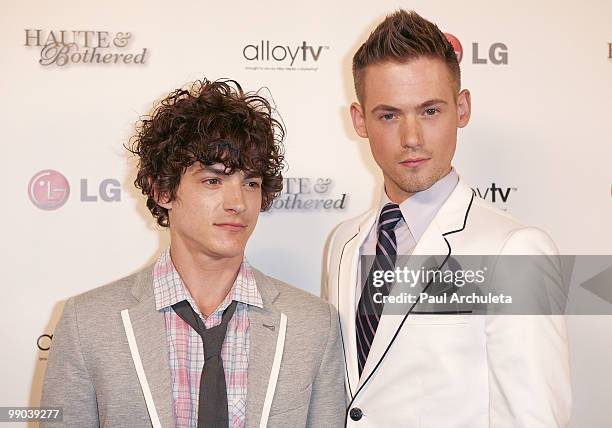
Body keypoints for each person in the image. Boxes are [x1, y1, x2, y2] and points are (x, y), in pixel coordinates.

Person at [41, 78, 346, 427]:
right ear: (163, 191)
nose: (237, 203)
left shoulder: (313, 324)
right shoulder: (88, 323)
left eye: (250, 183)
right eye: (213, 181)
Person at [324, 10, 571, 427]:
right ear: (359, 121)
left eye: (430, 111)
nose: (412, 138)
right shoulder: (344, 243)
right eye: (389, 115)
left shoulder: (514, 251)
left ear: (462, 108)